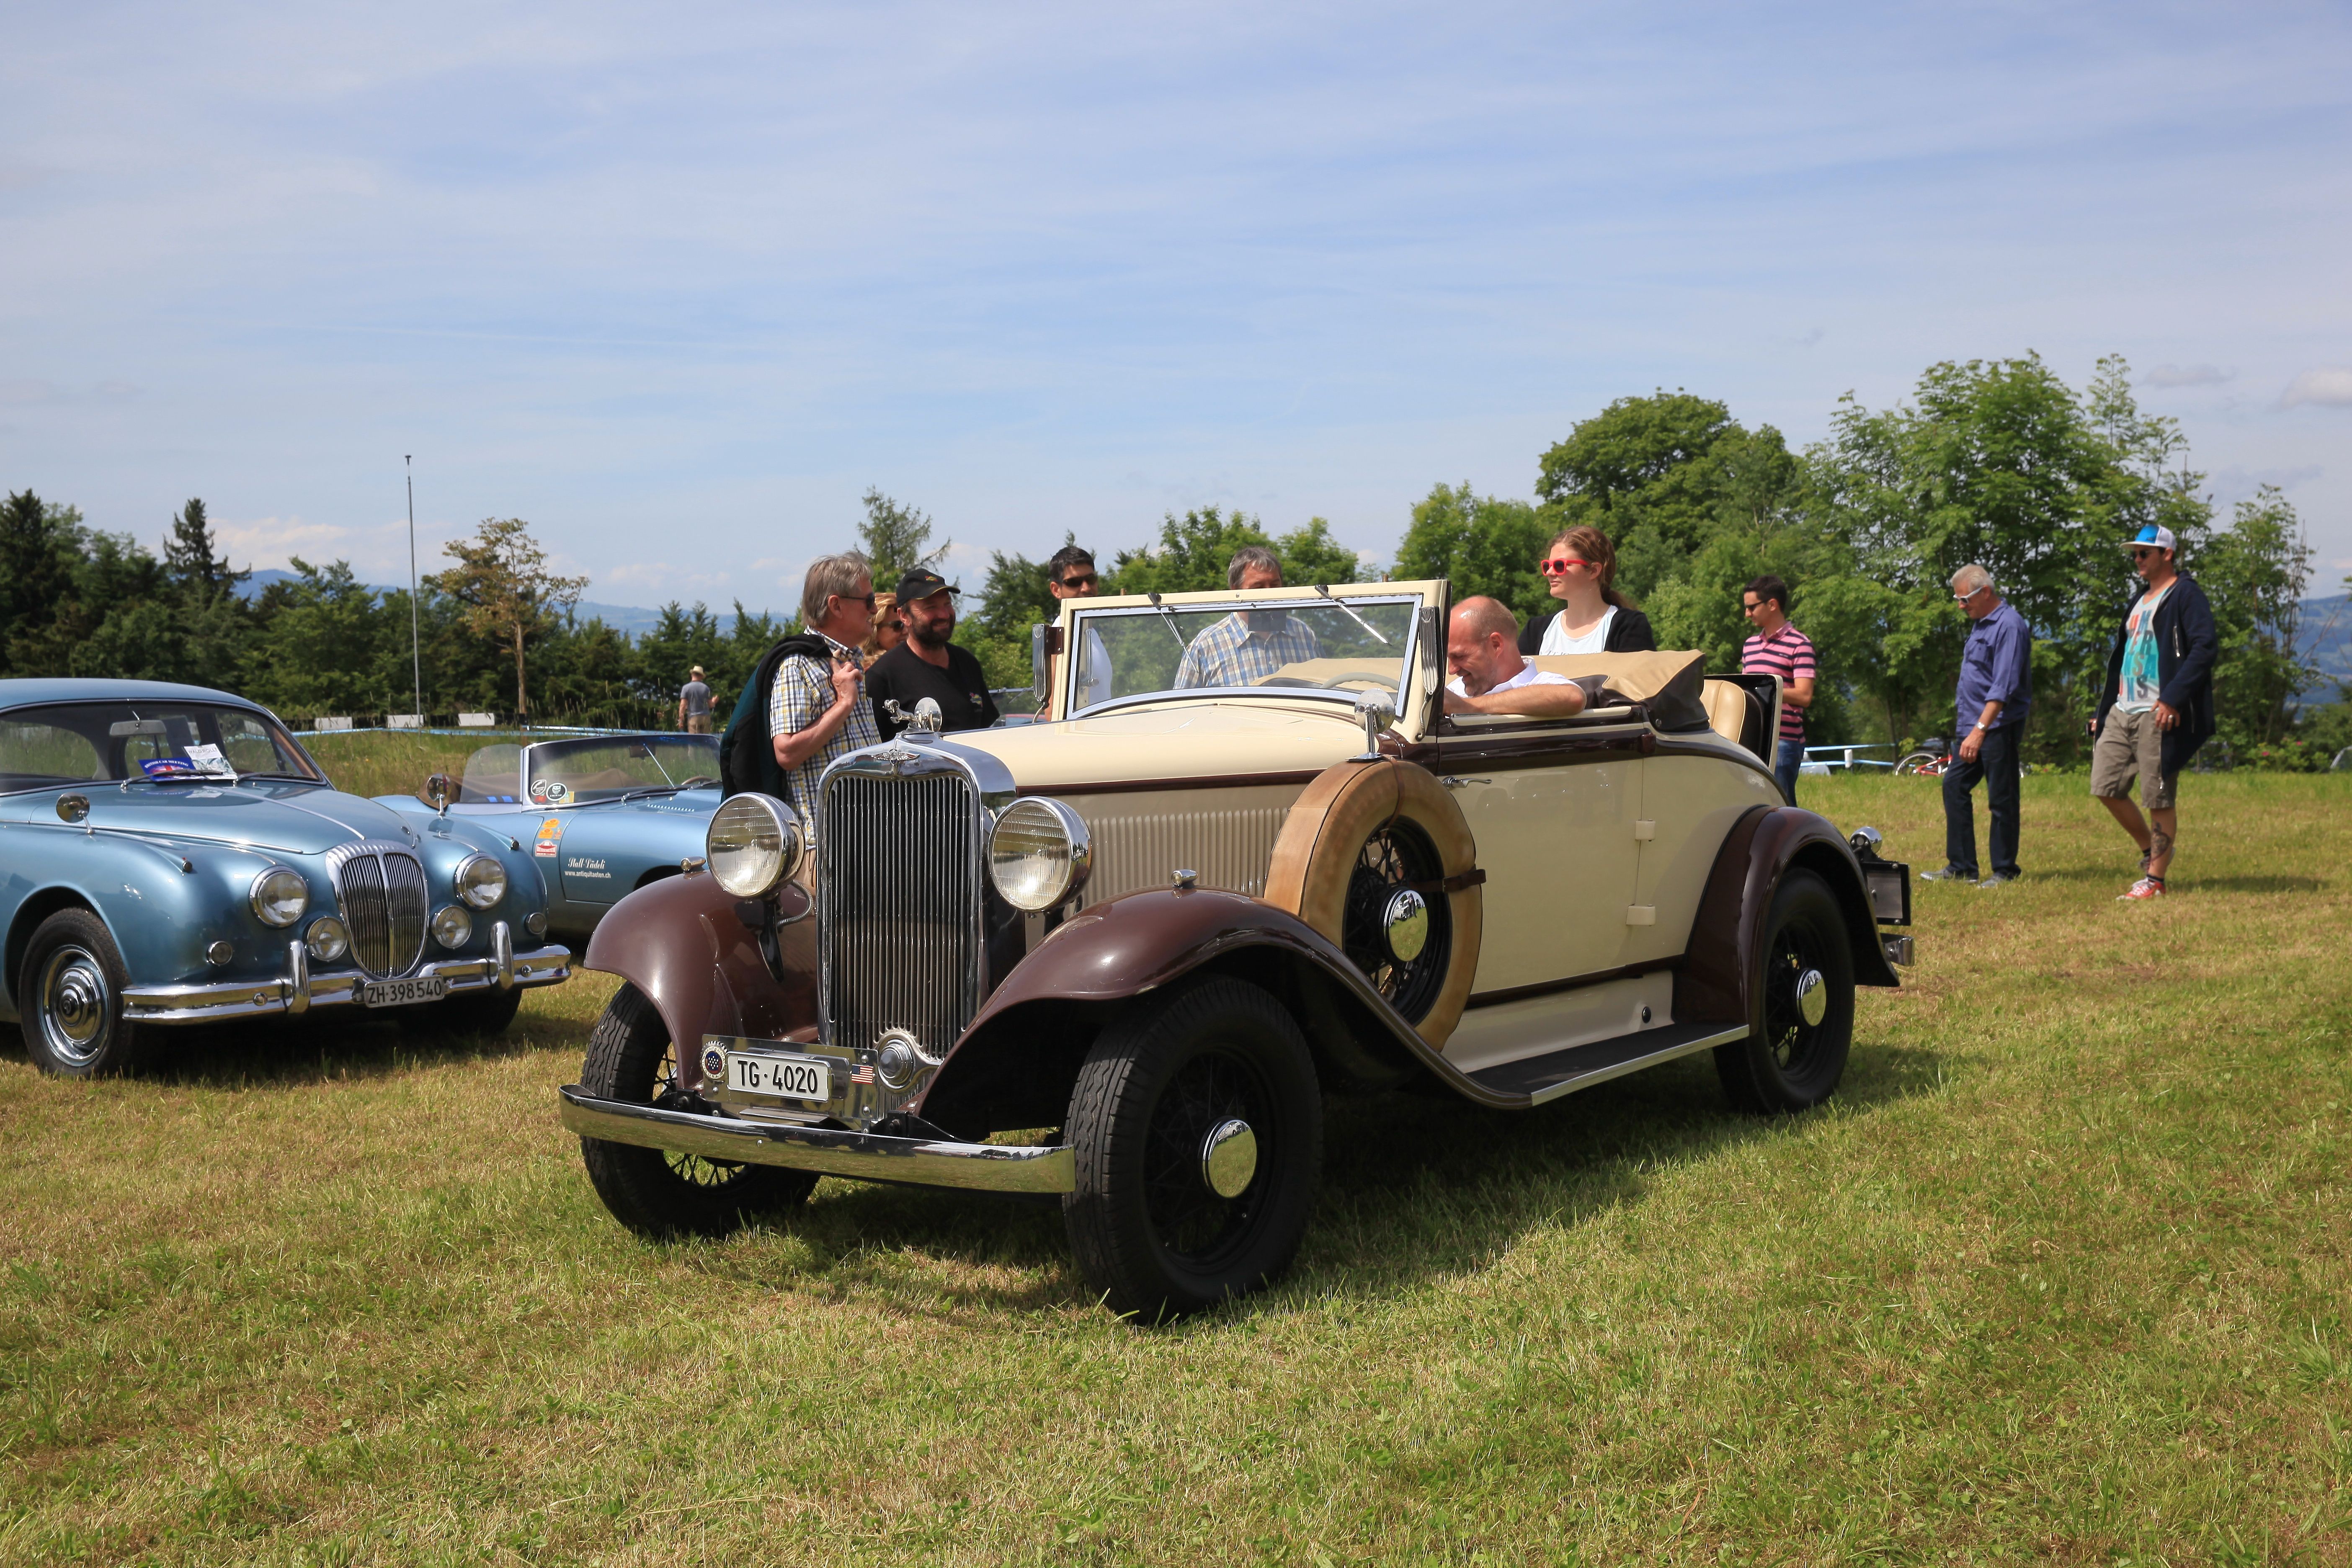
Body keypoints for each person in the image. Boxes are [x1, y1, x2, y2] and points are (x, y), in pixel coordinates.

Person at [2090, 524, 2217, 901]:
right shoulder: (2139, 599)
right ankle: (2153, 852)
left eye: (2145, 553)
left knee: (2158, 796)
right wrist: (2106, 707)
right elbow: (2124, 659)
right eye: (2135, 554)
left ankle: (2156, 882)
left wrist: (2172, 699)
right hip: (2123, 707)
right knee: (2105, 786)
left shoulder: (2186, 595)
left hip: (2158, 711)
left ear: (2167, 555)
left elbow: (2205, 648)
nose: (2137, 560)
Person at [1922, 564, 2032, 888]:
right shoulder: (1980, 624)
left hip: (1996, 728)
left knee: (2002, 798)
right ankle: (1962, 867)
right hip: (1971, 726)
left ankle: (2005, 871)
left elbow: (2003, 686)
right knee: (1954, 786)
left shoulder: (2009, 626)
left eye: (1965, 599)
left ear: (1985, 592)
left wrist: (1979, 731)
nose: (1960, 606)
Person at [765, 553, 880, 830]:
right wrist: (844, 704)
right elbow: (787, 753)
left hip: (869, 832)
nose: (875, 609)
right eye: (868, 600)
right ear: (836, 606)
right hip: (828, 845)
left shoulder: (850, 659)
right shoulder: (797, 665)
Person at [867, 568, 1001, 735]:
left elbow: (988, 730)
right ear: (904, 616)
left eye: (948, 604)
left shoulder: (967, 663)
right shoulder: (882, 677)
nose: (944, 615)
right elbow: (876, 750)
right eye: (931, 607)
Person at [1173, 546, 1322, 688]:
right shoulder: (1206, 646)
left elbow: (1328, 689)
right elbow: (1180, 708)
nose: (1269, 594)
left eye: (1275, 585)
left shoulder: (1304, 634)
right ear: (1236, 591)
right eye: (1258, 588)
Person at [1516, 525, 1657, 656]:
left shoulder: (1628, 626)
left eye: (1560, 565)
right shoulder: (1535, 630)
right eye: (1548, 566)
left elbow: (1635, 681)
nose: (1550, 573)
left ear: (1594, 571)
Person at [1738, 575, 1818, 804]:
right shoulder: (1750, 645)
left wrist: (1768, 688)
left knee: (1782, 807)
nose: (1747, 614)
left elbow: (1804, 696)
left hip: (1784, 742)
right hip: (1752, 739)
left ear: (1772, 605)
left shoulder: (1800, 644)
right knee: (1751, 805)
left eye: (1752, 607)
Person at [1444, 597, 1585, 717]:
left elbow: (1574, 697)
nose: (1452, 670)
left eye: (1460, 656)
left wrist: (1467, 707)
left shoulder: (1541, 683)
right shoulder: (1456, 689)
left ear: (1496, 645)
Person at [1042, 543, 1112, 713]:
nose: (1086, 588)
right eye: (1074, 582)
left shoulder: (1090, 632)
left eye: (1091, 579)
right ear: (1056, 590)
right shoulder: (1059, 636)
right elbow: (1052, 712)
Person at [859, 592, 905, 660]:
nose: (907, 631)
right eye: (898, 626)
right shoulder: (873, 669)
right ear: (874, 631)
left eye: (908, 623)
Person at [677, 665, 712, 734]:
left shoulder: (686, 688)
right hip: (706, 718)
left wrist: (681, 721)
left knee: (695, 741)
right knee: (705, 741)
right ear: (701, 676)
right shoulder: (706, 688)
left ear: (692, 674)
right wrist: (714, 701)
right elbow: (710, 705)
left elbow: (683, 705)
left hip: (694, 717)